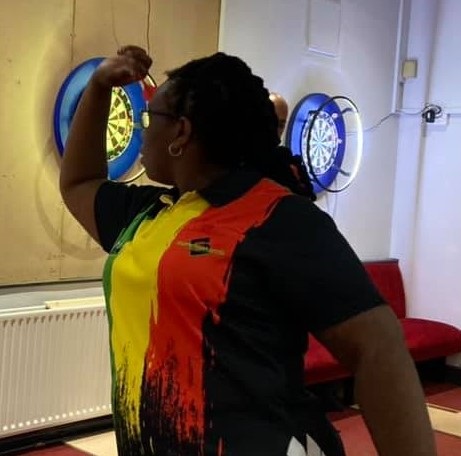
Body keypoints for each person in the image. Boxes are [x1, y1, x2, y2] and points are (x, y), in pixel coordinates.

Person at [60, 46, 436, 456]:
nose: (142, 131)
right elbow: (79, 182)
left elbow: (378, 348)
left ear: (181, 133)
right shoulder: (147, 214)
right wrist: (99, 86)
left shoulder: (277, 218)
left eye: (150, 118)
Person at [269, 92, 317, 201]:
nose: (275, 130)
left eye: (281, 125)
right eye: (271, 122)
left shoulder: (292, 166)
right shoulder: (236, 166)